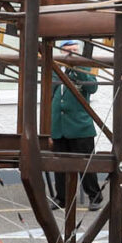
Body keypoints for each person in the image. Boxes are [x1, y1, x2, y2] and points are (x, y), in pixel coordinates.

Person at [50, 43, 105, 209]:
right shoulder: (55, 69)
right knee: (59, 165)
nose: (71, 54)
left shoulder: (85, 68)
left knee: (86, 164)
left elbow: (93, 88)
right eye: (68, 51)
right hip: (59, 127)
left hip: (80, 127)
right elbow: (51, 94)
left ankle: (95, 197)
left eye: (74, 50)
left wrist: (78, 68)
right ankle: (62, 198)